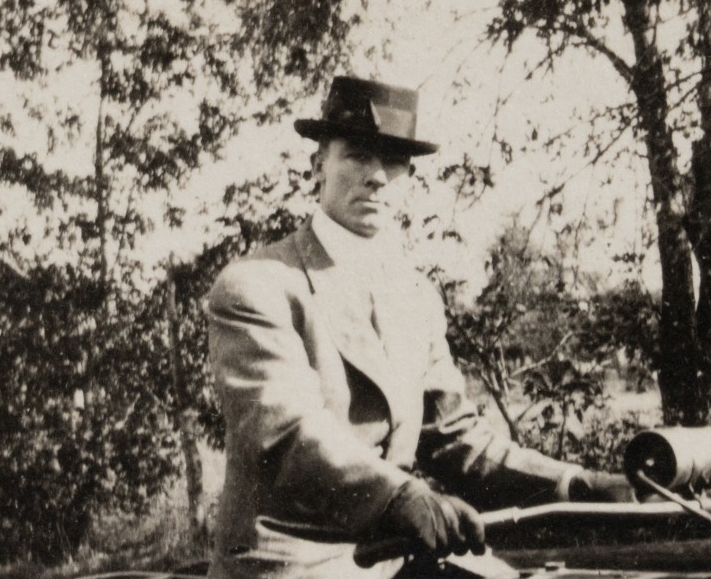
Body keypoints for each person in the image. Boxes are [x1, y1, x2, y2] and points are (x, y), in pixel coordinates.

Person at [206, 76, 634, 579]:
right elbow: (290, 435)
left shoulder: (415, 299)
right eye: (358, 155)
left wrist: (573, 483)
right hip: (294, 562)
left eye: (393, 161)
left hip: (393, 558)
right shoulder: (257, 285)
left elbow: (456, 437)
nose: (377, 177)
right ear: (317, 165)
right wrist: (402, 494)